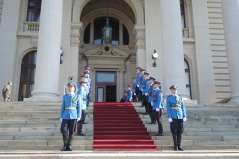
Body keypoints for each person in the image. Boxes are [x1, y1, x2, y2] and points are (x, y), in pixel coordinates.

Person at [60, 82, 81, 151]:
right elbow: (62, 107)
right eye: (69, 87)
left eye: (71, 87)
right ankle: (65, 144)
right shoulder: (65, 97)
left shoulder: (77, 96)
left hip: (74, 116)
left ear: (74, 88)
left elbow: (79, 107)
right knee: (63, 130)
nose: (70, 88)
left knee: (71, 131)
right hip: (65, 115)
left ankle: (69, 145)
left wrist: (78, 116)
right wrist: (61, 116)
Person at [166, 85, 187, 151]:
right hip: (173, 115)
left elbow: (183, 107)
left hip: (180, 115)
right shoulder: (169, 98)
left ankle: (179, 145)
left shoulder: (180, 97)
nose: (174, 90)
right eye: (173, 89)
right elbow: (168, 108)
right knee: (174, 131)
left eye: (175, 89)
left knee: (180, 131)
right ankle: (175, 146)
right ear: (171, 90)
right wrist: (169, 117)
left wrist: (184, 116)